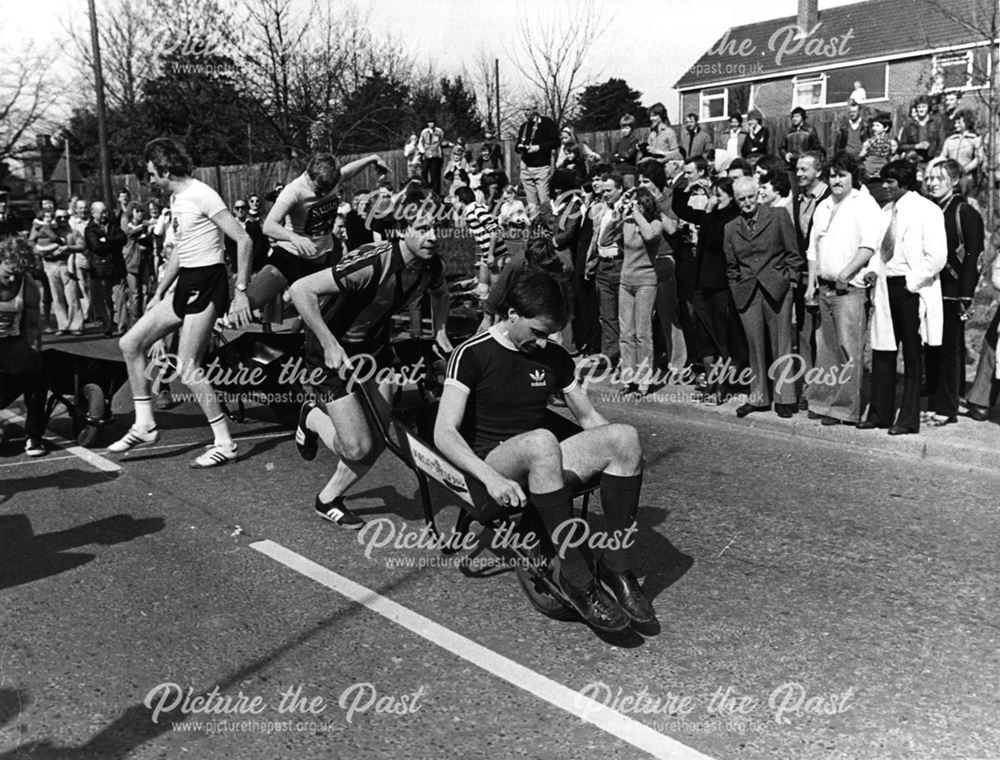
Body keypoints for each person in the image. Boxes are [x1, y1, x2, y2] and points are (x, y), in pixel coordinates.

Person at [435, 271, 657, 632]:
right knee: (541, 441)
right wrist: (490, 479)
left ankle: (615, 567)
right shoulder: (472, 353)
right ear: (511, 315)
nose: (543, 343)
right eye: (537, 333)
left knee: (626, 436)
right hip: (492, 465)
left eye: (551, 334)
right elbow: (443, 433)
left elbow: (587, 417)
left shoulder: (553, 356)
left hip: (545, 456)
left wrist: (624, 457)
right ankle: (576, 577)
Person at [289, 187, 452, 528]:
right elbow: (301, 290)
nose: (433, 236)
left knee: (378, 440)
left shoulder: (430, 266)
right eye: (423, 228)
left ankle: (328, 498)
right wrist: (330, 344)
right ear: (402, 230)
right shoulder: (374, 262)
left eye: (437, 227)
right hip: (329, 352)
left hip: (374, 351)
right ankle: (313, 417)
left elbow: (441, 293)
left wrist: (439, 331)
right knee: (357, 447)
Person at [109, 137, 253, 467]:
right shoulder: (177, 198)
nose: (150, 180)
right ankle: (144, 424)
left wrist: (242, 290)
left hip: (208, 282)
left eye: (152, 173)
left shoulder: (203, 194)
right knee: (130, 343)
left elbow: (243, 239)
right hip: (186, 281)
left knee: (188, 366)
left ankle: (224, 443)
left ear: (165, 167)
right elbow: (180, 250)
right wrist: (160, 292)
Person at [858, 160, 946, 435]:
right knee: (883, 351)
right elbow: (877, 250)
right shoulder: (886, 211)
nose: (884, 186)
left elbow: (937, 256)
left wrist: (912, 282)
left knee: (912, 355)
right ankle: (880, 414)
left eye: (890, 182)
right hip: (886, 287)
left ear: (905, 183)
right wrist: (872, 271)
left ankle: (908, 419)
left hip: (911, 289)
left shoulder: (927, 211)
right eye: (883, 181)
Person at [246, 153, 389, 319]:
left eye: (327, 190)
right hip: (290, 256)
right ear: (308, 174)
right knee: (251, 301)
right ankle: (218, 321)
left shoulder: (332, 180)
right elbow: (269, 225)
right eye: (318, 189)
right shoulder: (294, 191)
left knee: (322, 313)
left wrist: (372, 159)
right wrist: (294, 238)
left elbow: (348, 172)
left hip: (321, 258)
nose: (322, 194)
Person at [802, 152, 882, 426]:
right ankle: (823, 403)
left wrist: (846, 274)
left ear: (853, 177)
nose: (836, 181)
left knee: (849, 349)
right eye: (833, 175)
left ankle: (845, 409)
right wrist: (812, 279)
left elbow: (869, 246)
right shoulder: (824, 206)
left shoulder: (865, 204)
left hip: (849, 289)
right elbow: (813, 247)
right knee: (826, 349)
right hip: (824, 286)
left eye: (842, 175)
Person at [723, 176, 802, 418]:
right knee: (754, 346)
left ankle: (785, 398)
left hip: (777, 288)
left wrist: (790, 282)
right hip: (748, 293)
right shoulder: (730, 228)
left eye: (750, 197)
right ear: (736, 201)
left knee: (782, 343)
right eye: (741, 199)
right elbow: (731, 266)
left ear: (758, 195)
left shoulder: (778, 216)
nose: (747, 203)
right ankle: (758, 398)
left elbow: (793, 253)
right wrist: (737, 288)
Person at [922, 158, 983, 425]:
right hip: (931, 289)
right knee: (933, 347)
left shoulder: (964, 212)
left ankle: (946, 409)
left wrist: (965, 295)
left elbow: (974, 257)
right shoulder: (931, 209)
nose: (932, 183)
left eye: (939, 178)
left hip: (952, 291)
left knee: (948, 350)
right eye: (930, 178)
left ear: (955, 181)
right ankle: (940, 399)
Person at [673, 175, 741, 401]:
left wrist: (710, 212)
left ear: (730, 197)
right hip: (701, 282)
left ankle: (721, 386)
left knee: (721, 337)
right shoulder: (712, 215)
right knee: (704, 337)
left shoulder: (732, 217)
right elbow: (680, 209)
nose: (713, 199)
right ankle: (711, 383)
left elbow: (713, 239)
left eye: (718, 196)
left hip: (720, 285)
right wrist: (687, 187)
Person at [0, 237, 48, 456]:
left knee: (36, 368)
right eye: (7, 273)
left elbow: (32, 327)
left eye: (16, 275)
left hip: (9, 342)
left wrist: (33, 359)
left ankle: (34, 436)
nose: (11, 279)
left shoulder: (27, 284)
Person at [614, 187, 663, 395]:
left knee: (643, 334)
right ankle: (628, 379)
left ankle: (644, 381)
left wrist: (636, 214)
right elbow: (606, 237)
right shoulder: (627, 223)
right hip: (626, 281)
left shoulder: (656, 223)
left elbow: (650, 235)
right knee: (626, 334)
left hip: (646, 282)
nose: (636, 207)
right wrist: (617, 214)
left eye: (640, 204)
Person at [453, 186, 509, 308]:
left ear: (460, 199)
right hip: (487, 252)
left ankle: (497, 315)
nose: (453, 203)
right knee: (483, 287)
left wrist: (490, 254)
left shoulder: (477, 210)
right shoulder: (469, 212)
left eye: (454, 199)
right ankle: (485, 314)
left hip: (495, 252)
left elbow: (494, 231)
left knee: (496, 288)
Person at [85, 201, 127, 337]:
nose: (104, 215)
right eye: (101, 212)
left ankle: (122, 327)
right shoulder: (90, 229)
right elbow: (96, 247)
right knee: (104, 299)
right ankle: (108, 326)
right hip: (100, 268)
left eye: (105, 211)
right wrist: (112, 243)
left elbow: (123, 238)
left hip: (116, 266)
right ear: (93, 213)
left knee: (120, 297)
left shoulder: (113, 225)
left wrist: (106, 239)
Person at [514, 101, 560, 208]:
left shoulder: (547, 123)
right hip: (526, 167)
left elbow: (556, 142)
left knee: (544, 200)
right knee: (531, 204)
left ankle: (548, 223)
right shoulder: (524, 126)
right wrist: (521, 148)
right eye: (524, 110)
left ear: (535, 109)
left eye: (528, 109)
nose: (525, 112)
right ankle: (534, 223)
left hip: (541, 168)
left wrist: (538, 148)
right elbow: (517, 145)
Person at [939, 108, 985, 192]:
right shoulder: (950, 139)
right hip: (950, 178)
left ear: (967, 123)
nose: (956, 125)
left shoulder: (975, 139)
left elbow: (979, 158)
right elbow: (943, 156)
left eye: (959, 122)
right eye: (955, 122)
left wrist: (965, 169)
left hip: (967, 178)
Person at [897, 96, 941, 165]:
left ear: (928, 108)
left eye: (923, 107)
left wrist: (937, 157)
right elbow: (902, 146)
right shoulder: (909, 124)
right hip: (915, 159)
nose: (921, 109)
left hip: (932, 159)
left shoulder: (936, 121)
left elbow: (941, 142)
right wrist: (916, 146)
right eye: (919, 107)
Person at [780, 107, 824, 171]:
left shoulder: (810, 130)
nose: (794, 119)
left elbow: (816, 148)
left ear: (803, 117)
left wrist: (808, 157)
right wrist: (785, 154)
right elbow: (782, 147)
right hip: (790, 166)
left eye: (797, 116)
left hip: (805, 164)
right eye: (793, 117)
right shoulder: (788, 131)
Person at [859, 113, 897, 179]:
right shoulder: (869, 141)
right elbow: (862, 154)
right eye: (873, 125)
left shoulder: (891, 142)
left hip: (882, 167)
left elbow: (892, 157)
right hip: (870, 167)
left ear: (886, 127)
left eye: (877, 126)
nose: (874, 128)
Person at [612, 115, 640, 187]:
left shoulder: (634, 141)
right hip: (617, 171)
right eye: (623, 128)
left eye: (627, 128)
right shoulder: (619, 141)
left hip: (629, 172)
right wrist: (621, 158)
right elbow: (612, 157)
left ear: (632, 128)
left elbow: (629, 155)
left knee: (629, 191)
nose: (624, 130)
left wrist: (618, 155)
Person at [418, 119, 445, 195]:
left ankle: (434, 190)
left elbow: (441, 140)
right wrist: (423, 151)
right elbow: (420, 143)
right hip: (426, 155)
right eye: (429, 123)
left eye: (432, 122)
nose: (431, 124)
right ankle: (426, 186)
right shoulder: (424, 132)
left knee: (434, 174)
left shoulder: (439, 131)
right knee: (424, 171)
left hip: (435, 155)